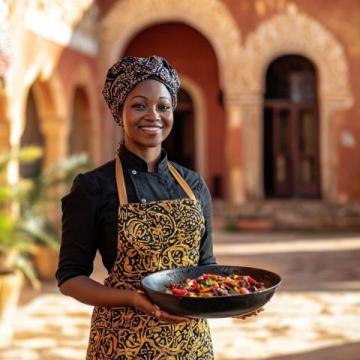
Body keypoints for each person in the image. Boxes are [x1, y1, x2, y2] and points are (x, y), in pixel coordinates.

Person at [56, 55, 216, 359]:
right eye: (139, 105)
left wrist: (233, 301)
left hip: (190, 343)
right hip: (121, 341)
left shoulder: (193, 184)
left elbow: (206, 266)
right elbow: (70, 278)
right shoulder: (93, 187)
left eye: (163, 106)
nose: (153, 115)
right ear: (120, 112)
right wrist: (131, 298)